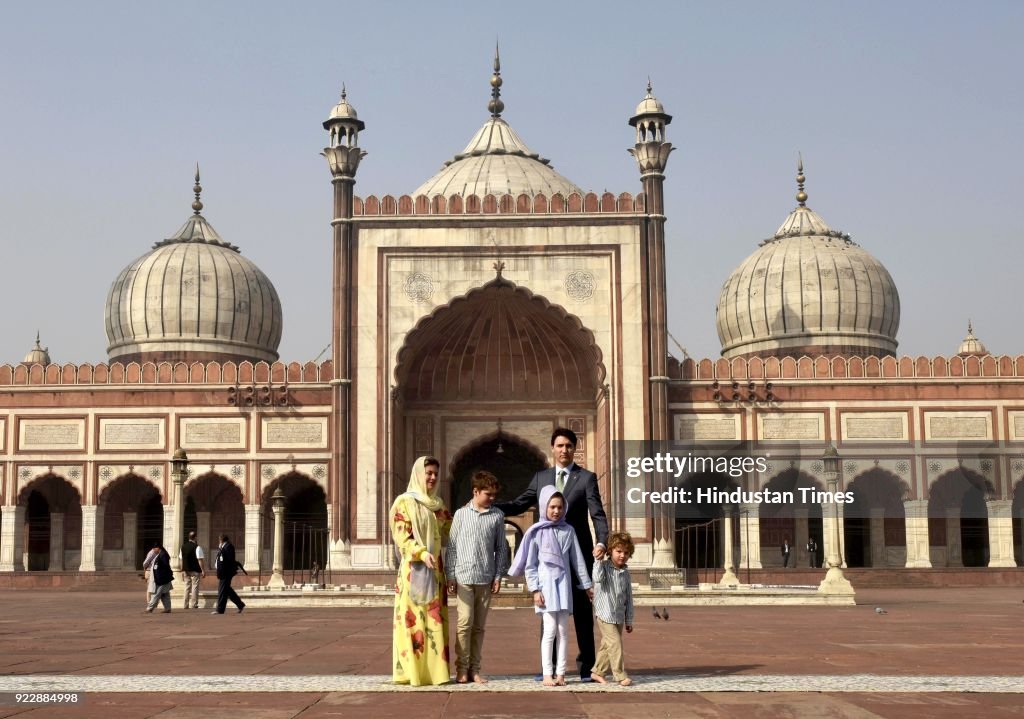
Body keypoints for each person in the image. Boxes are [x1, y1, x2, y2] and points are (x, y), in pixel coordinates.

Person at [497, 427, 609, 682]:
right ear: (553, 448)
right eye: (560, 446)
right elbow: (519, 504)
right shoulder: (541, 478)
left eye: (569, 446)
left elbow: (597, 513)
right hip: (548, 557)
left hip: (577, 550)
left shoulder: (586, 478)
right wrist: (492, 505)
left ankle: (587, 667)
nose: (564, 450)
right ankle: (550, 668)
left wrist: (602, 541)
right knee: (548, 610)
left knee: (582, 612)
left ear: (574, 449)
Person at [509, 486, 593, 686]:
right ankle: (548, 673)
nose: (556, 511)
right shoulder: (537, 532)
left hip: (564, 586)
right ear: (544, 507)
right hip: (545, 587)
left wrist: (587, 585)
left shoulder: (569, 530)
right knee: (549, 631)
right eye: (552, 507)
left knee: (563, 631)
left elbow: (577, 561)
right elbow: (531, 566)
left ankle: (561, 674)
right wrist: (535, 590)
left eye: (560, 507)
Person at [390, 456, 452, 686]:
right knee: (414, 621)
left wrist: (474, 515)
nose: (433, 477)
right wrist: (421, 552)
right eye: (428, 473)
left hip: (435, 571)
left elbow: (451, 527)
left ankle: (435, 673)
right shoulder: (404, 502)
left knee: (435, 621)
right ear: (418, 474)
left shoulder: (437, 504)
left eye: (436, 473)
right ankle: (414, 674)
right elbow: (402, 536)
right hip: (414, 569)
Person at [445, 470, 510, 684]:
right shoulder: (461, 515)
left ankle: (475, 669)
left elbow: (501, 547)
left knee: (479, 627)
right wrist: (451, 575)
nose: (492, 498)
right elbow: (452, 547)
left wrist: (499, 574)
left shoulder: (497, 516)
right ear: (476, 491)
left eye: (494, 495)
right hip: (463, 576)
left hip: (485, 576)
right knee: (464, 624)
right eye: (488, 494)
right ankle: (461, 668)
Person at [590, 531, 635, 687]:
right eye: (618, 551)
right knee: (615, 643)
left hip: (618, 615)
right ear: (610, 551)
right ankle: (620, 675)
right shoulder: (603, 567)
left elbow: (629, 598)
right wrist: (597, 560)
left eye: (626, 552)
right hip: (604, 613)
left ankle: (597, 672)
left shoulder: (626, 573)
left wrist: (629, 619)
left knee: (607, 645)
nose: (622, 555)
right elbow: (597, 578)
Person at [212, 534, 246, 614]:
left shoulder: (228, 547)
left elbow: (229, 560)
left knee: (222, 591)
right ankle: (240, 604)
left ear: (221, 540)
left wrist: (223, 570)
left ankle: (220, 610)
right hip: (223, 572)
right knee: (227, 590)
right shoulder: (224, 547)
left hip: (226, 572)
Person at [180, 531, 206, 609]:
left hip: (186, 569)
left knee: (187, 586)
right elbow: (200, 560)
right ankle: (194, 604)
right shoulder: (197, 547)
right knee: (195, 586)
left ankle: (185, 604)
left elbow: (181, 559)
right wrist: (203, 570)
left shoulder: (183, 547)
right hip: (195, 570)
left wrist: (182, 569)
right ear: (195, 537)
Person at [144, 542, 173, 613]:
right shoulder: (160, 555)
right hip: (161, 578)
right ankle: (167, 608)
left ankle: (150, 608)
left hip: (162, 578)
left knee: (156, 594)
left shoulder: (163, 555)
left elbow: (165, 567)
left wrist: (161, 576)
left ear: (158, 548)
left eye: (154, 548)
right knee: (164, 594)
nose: (153, 550)